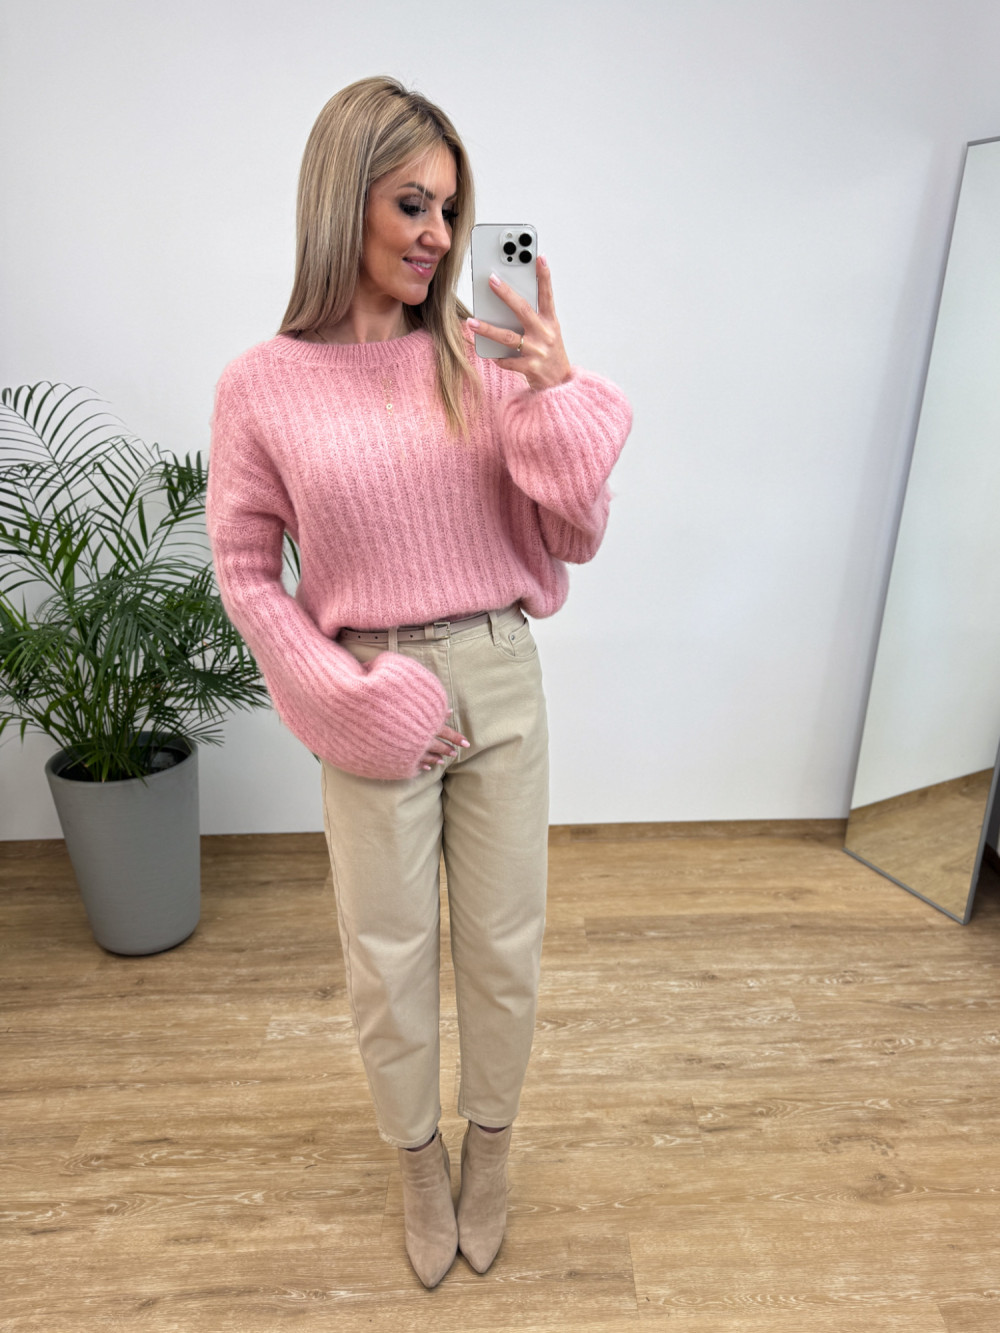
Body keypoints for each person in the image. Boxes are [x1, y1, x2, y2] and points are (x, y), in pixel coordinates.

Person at [206, 76, 631, 1288]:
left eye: (450, 208)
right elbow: (245, 570)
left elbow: (575, 532)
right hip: (367, 690)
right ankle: (415, 1160)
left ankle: (488, 1149)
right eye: (411, 203)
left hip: (498, 671)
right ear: (342, 199)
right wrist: (343, 696)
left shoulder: (482, 355)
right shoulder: (260, 384)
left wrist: (551, 392)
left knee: (502, 942)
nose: (439, 234)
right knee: (387, 955)